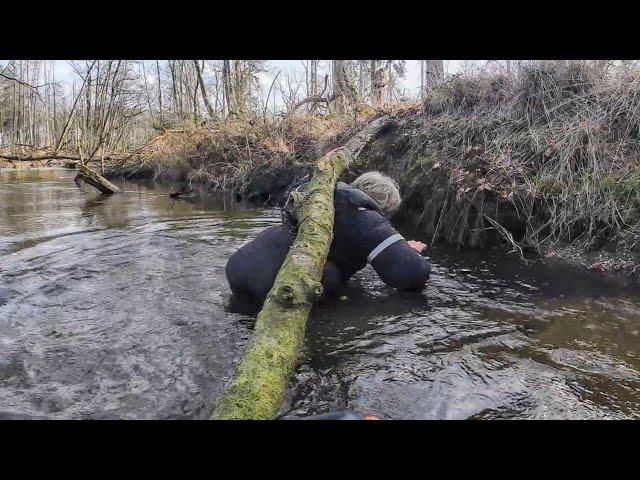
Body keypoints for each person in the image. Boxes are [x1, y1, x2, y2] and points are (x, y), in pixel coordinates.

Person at [225, 171, 430, 310]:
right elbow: (412, 275)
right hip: (274, 288)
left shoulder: (324, 199)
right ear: (383, 207)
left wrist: (397, 245)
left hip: (239, 270)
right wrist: (406, 251)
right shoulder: (364, 217)